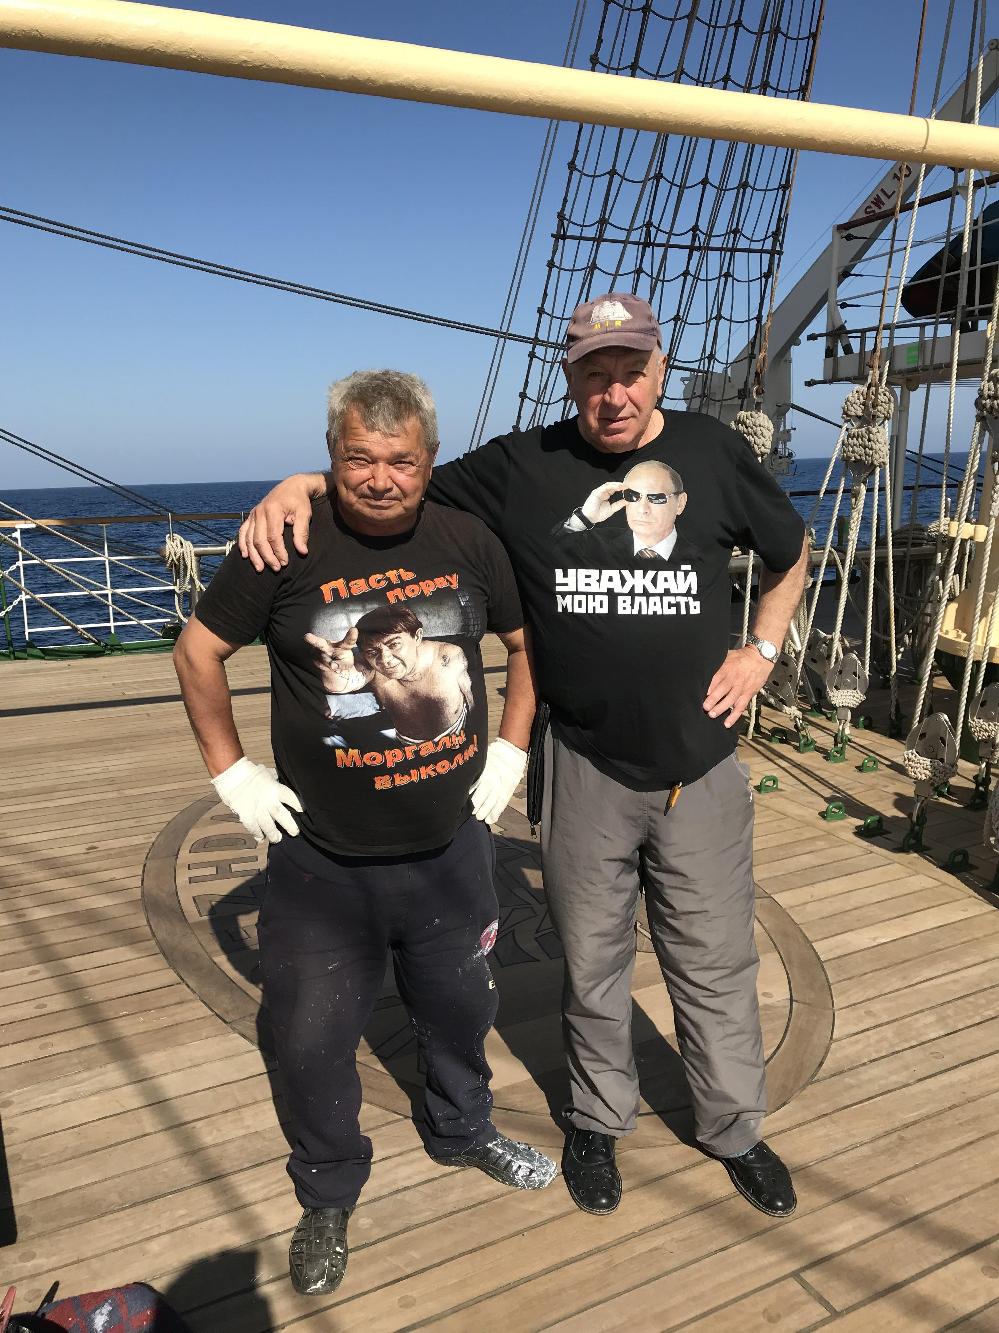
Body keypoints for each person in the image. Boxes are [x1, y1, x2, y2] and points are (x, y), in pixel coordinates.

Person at [237, 293, 809, 1221]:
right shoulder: (522, 465)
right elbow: (396, 479)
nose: (614, 393)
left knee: (714, 963)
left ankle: (734, 1128)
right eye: (595, 373)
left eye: (631, 371)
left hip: (698, 767)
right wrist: (303, 483)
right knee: (591, 961)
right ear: (571, 377)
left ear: (660, 369)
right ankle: (597, 1120)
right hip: (582, 761)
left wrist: (763, 651)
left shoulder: (713, 450)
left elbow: (789, 551)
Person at [172, 369, 557, 1298]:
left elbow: (524, 644)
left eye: (401, 460)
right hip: (323, 864)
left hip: (452, 849)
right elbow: (198, 650)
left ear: (429, 460)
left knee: (463, 1010)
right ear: (330, 457)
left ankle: (464, 1128)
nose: (381, 478)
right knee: (309, 1039)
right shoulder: (286, 542)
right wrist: (231, 772)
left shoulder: (469, 537)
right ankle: (328, 1188)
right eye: (358, 459)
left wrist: (511, 748)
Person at [305, 604, 474, 743]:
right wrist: (335, 671)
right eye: (372, 651)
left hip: (457, 731)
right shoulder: (371, 667)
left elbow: (467, 691)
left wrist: (472, 727)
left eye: (394, 645)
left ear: (417, 636)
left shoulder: (447, 656)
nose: (385, 660)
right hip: (407, 742)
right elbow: (344, 682)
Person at [554, 458, 700, 567]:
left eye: (656, 498)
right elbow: (546, 556)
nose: (643, 509)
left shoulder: (703, 556)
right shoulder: (596, 546)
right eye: (633, 496)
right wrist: (585, 518)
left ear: (680, 503)